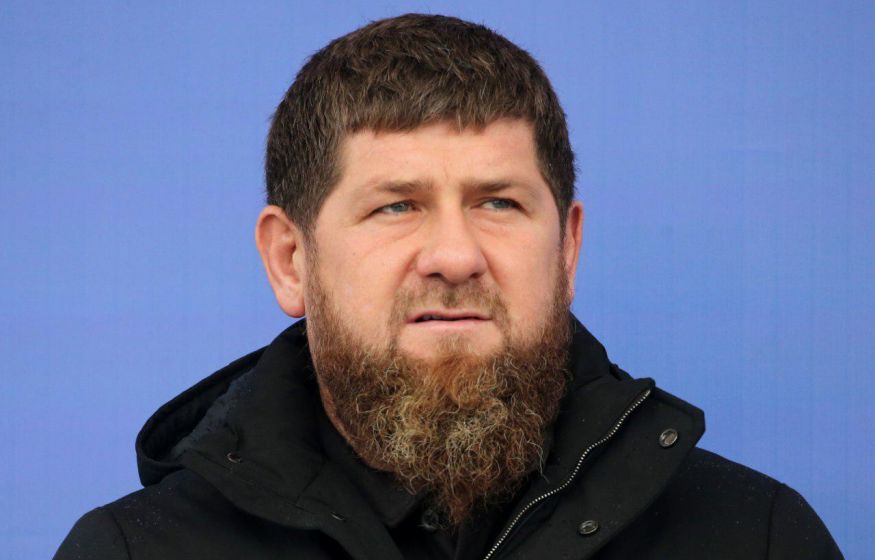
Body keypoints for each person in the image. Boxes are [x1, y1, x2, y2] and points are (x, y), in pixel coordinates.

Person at [55, 13, 842, 560]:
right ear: (290, 260)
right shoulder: (133, 554)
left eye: (497, 203)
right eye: (396, 206)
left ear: (567, 249)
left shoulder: (758, 539)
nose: (456, 256)